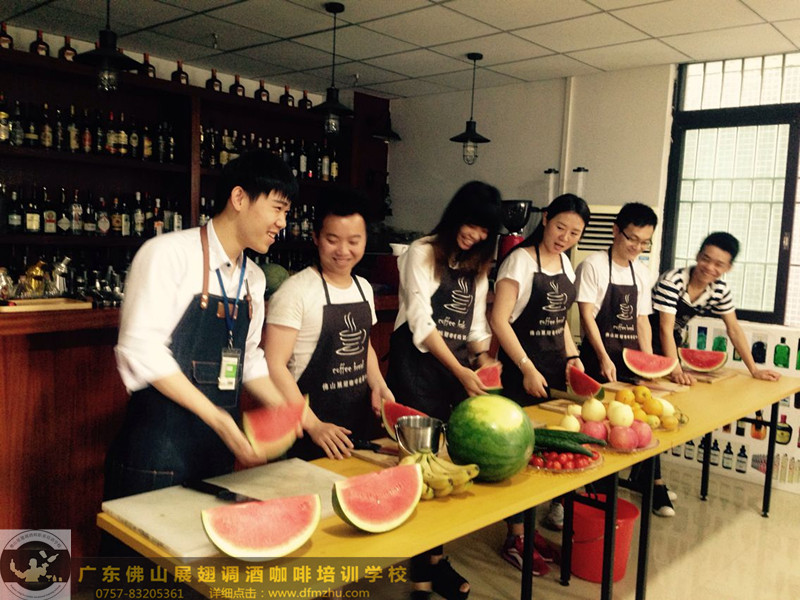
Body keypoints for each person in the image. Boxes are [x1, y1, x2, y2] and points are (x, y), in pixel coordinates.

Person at [105, 150, 299, 504]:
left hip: (217, 453)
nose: (282, 222)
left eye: (286, 213)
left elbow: (247, 358)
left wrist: (286, 409)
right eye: (277, 208)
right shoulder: (167, 254)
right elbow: (140, 348)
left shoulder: (254, 278)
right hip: (158, 452)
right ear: (239, 198)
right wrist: (221, 420)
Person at [386, 181, 502, 600]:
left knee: (443, 472)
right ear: (456, 216)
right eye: (472, 224)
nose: (476, 234)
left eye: (485, 230)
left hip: (454, 373)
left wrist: (484, 361)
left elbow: (475, 328)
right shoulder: (421, 252)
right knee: (420, 472)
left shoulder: (479, 264)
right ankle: (421, 578)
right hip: (416, 370)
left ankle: (435, 563)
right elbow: (421, 323)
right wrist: (461, 371)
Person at [490, 193, 590, 575]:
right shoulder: (519, 260)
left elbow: (559, 320)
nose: (565, 237)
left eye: (574, 233)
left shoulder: (565, 263)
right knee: (519, 455)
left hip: (552, 370)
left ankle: (530, 531)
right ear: (545, 219)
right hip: (521, 371)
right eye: (560, 227)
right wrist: (526, 367)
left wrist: (573, 357)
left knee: (544, 456)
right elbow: (500, 320)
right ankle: (515, 537)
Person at [265, 189, 394, 460]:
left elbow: (364, 346)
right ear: (316, 238)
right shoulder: (295, 291)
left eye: (353, 241)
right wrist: (313, 425)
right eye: (332, 240)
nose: (343, 251)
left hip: (354, 426)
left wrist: (378, 384)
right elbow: (274, 365)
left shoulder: (363, 288)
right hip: (305, 429)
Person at [575, 202, 677, 517]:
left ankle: (652, 483)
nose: (637, 247)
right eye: (632, 238)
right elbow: (586, 316)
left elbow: (642, 321)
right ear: (616, 231)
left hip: (630, 361)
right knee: (597, 429)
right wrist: (603, 357)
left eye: (645, 242)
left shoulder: (641, 272)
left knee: (642, 422)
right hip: (598, 360)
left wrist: (649, 361)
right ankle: (593, 495)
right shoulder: (593, 265)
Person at [651, 231, 781, 384]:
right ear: (698, 256)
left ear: (728, 268)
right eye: (706, 259)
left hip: (670, 341)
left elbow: (734, 329)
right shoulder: (673, 281)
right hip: (643, 337)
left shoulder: (719, 290)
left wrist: (754, 370)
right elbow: (665, 328)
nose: (709, 267)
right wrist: (677, 372)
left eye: (719, 264)